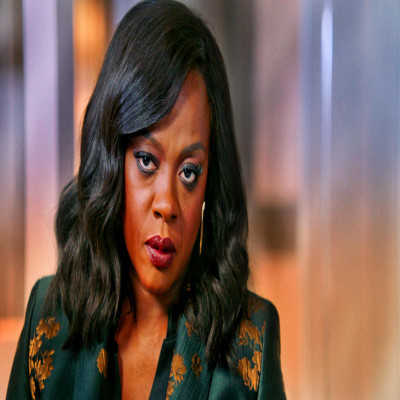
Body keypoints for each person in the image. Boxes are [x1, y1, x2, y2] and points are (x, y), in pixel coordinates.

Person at [6, 1, 286, 399]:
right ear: (112, 159)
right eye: (147, 161)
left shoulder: (249, 340)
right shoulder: (48, 317)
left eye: (189, 172)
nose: (167, 204)